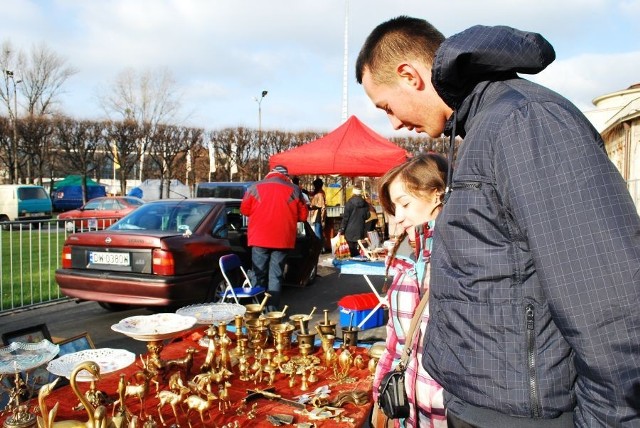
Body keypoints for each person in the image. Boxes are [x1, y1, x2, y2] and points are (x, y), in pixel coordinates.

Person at [356, 16, 640, 428]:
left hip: (522, 416)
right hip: (490, 407)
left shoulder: (525, 122)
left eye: (386, 106)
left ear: (409, 75)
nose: (394, 123)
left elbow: (608, 300)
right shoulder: (485, 127)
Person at [372, 153, 448, 428]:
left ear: (437, 193)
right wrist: (380, 391)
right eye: (394, 206)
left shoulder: (462, 257)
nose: (398, 216)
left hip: (445, 412)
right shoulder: (405, 255)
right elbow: (395, 341)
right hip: (407, 411)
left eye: (405, 203)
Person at [240, 165, 308, 311]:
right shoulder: (294, 190)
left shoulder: (254, 187)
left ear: (269, 174)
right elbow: (303, 216)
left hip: (259, 238)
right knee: (275, 276)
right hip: (282, 240)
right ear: (286, 176)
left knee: (259, 274)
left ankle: (257, 310)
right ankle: (272, 312)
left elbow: (244, 210)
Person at [339, 186, 371, 257]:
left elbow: (345, 218)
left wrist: (342, 229)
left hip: (349, 230)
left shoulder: (349, 202)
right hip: (360, 229)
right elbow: (367, 216)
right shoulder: (365, 203)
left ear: (353, 192)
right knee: (358, 248)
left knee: (351, 249)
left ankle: (353, 262)